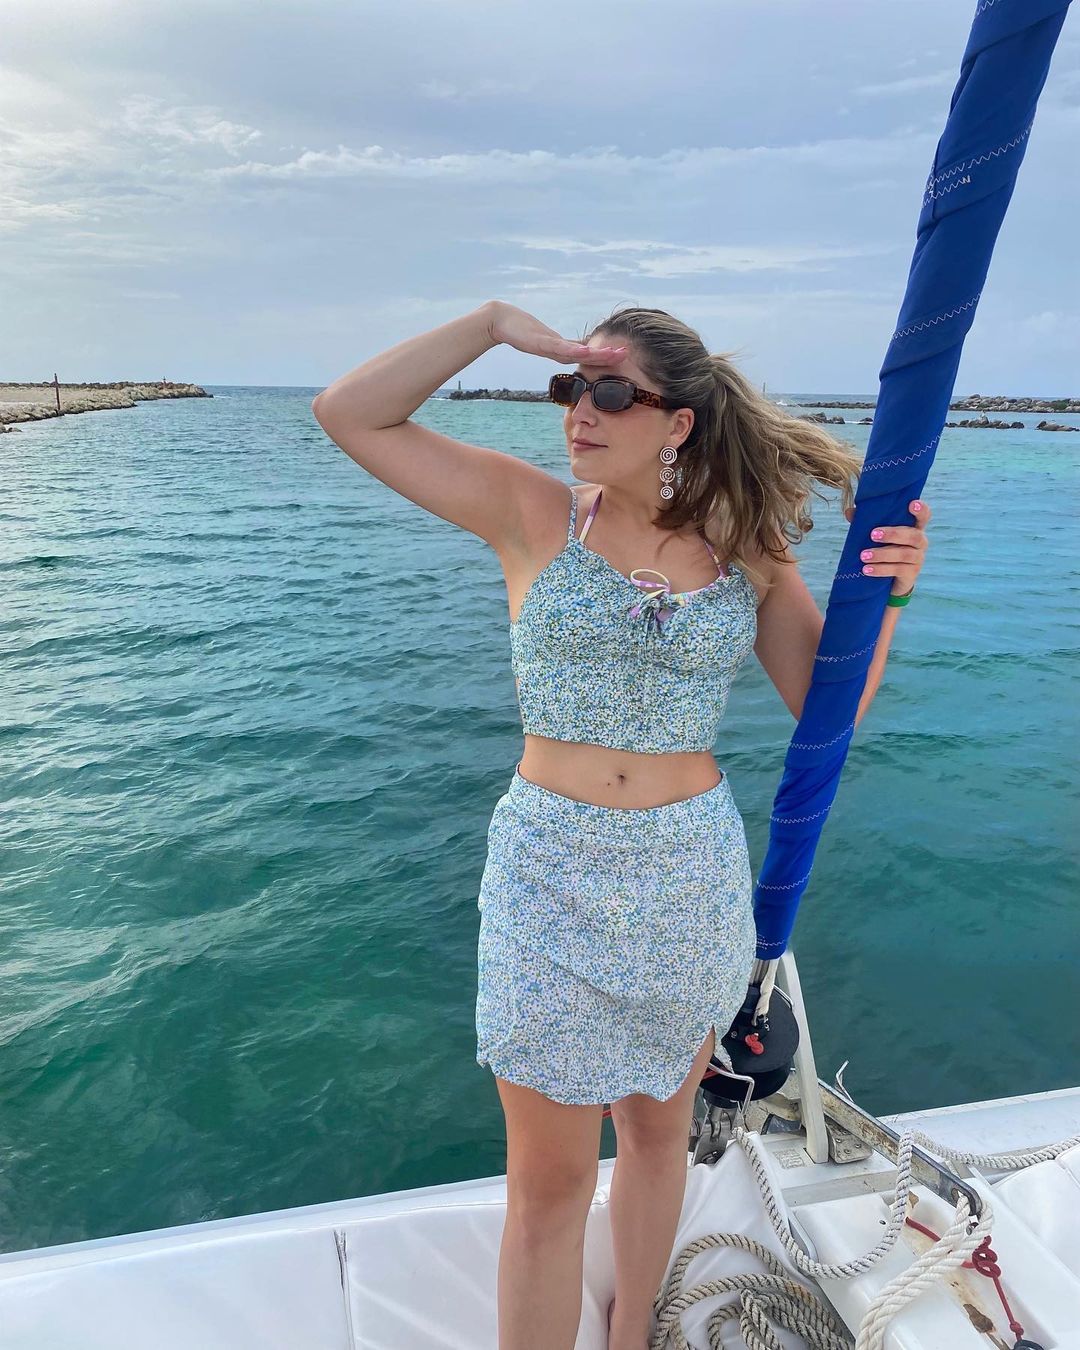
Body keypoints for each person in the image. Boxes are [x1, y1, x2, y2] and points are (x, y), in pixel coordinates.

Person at [311, 300, 930, 1350]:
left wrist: (896, 599)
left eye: (609, 392)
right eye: (570, 388)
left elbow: (827, 706)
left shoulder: (745, 548)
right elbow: (349, 413)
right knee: (548, 1186)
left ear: (677, 422)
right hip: (547, 875)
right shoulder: (530, 511)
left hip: (688, 879)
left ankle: (634, 1327)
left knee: (655, 1134)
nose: (579, 412)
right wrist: (495, 326)